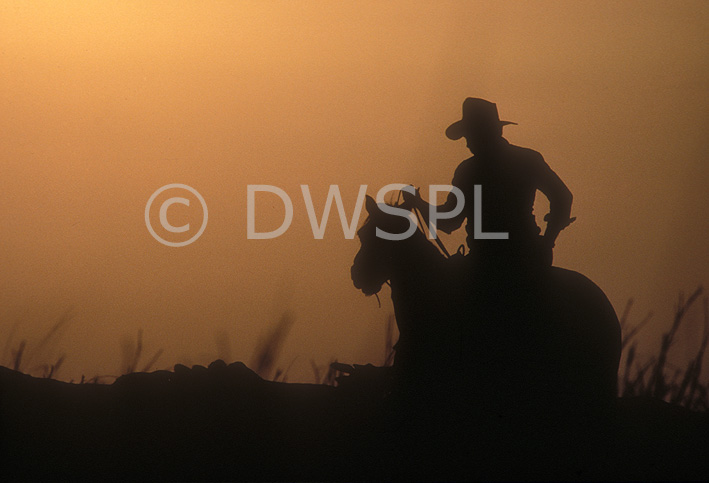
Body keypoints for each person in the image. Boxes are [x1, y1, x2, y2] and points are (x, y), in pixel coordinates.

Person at [403, 98, 574, 273]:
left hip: (485, 261)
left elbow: (450, 221)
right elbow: (563, 197)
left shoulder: (469, 170)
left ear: (483, 133)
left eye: (470, 135)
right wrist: (548, 241)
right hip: (529, 254)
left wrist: (418, 204)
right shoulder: (528, 159)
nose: (468, 143)